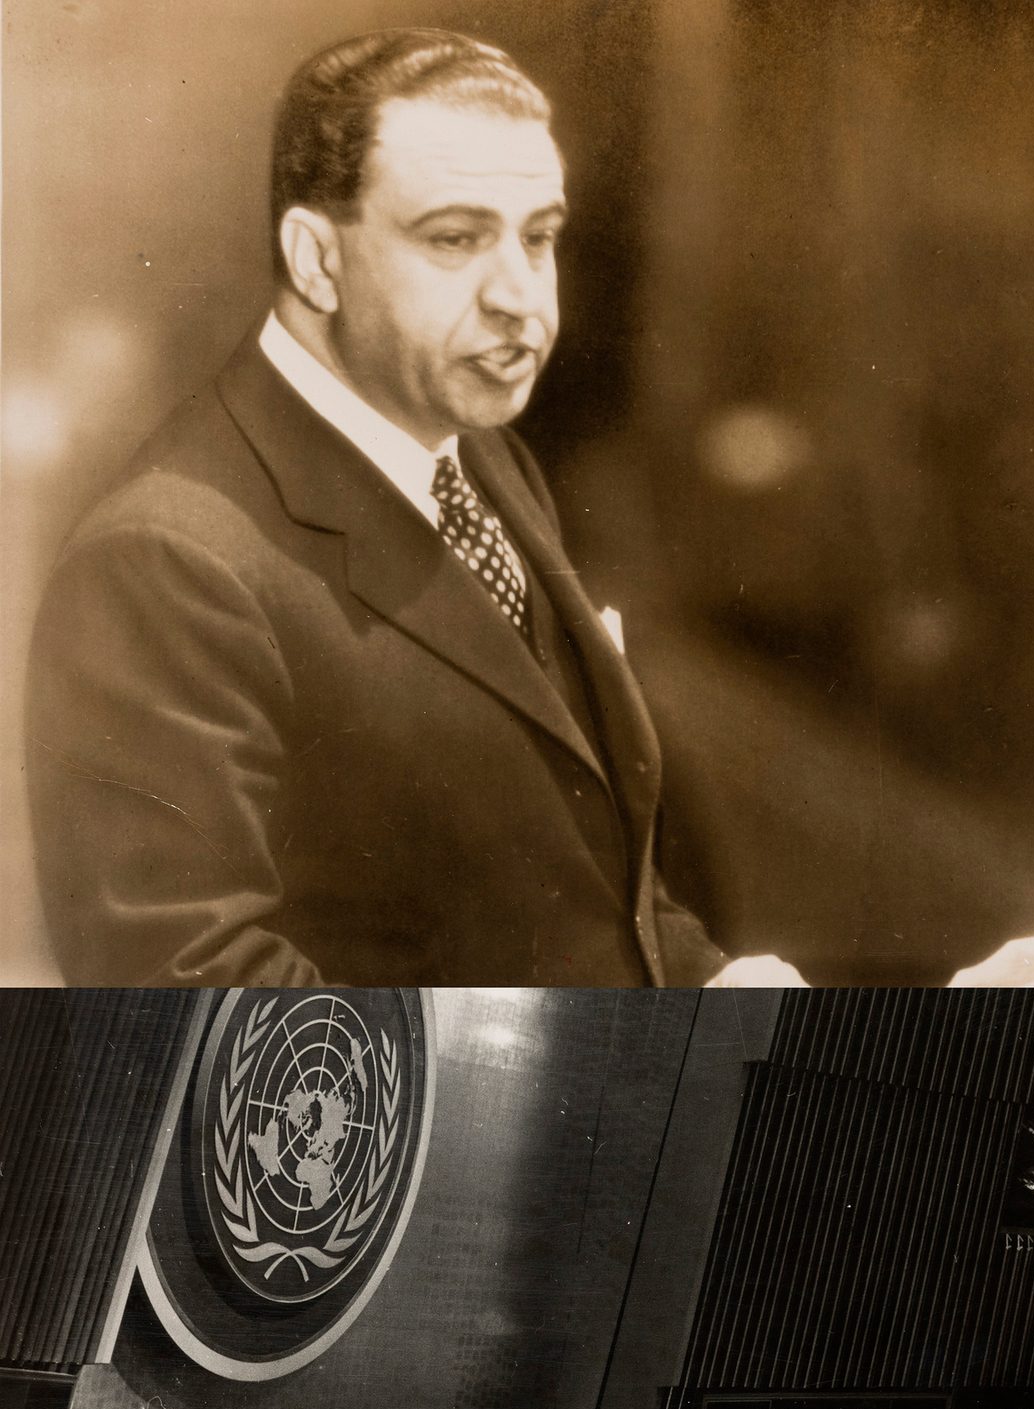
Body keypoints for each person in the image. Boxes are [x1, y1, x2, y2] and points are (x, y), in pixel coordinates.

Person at [25, 28, 805, 992]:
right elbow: (188, 1000)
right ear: (316, 260)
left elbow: (585, 893)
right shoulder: (168, 561)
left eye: (538, 236)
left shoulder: (482, 458)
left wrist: (711, 994)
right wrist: (617, 1063)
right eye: (455, 239)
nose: (519, 296)